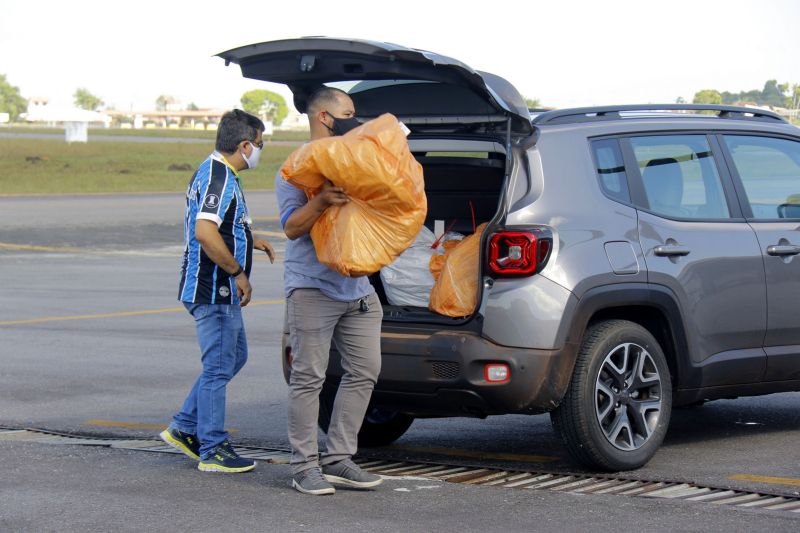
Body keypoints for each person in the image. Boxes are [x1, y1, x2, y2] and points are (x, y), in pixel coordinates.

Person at [277, 87, 384, 495]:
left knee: (365, 371)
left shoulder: (356, 161)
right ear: (325, 117)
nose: (354, 119)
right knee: (309, 379)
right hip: (313, 288)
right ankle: (304, 466)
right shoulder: (296, 168)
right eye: (349, 112)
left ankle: (339, 458)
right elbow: (291, 227)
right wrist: (321, 200)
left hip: (358, 289)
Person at [160, 109, 275, 473]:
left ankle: (184, 426)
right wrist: (238, 272)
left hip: (213, 288)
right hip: (213, 289)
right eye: (258, 144)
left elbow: (221, 226)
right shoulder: (219, 177)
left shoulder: (216, 173)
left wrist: (249, 239)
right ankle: (212, 447)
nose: (259, 151)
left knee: (233, 357)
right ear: (244, 145)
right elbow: (206, 233)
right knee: (218, 367)